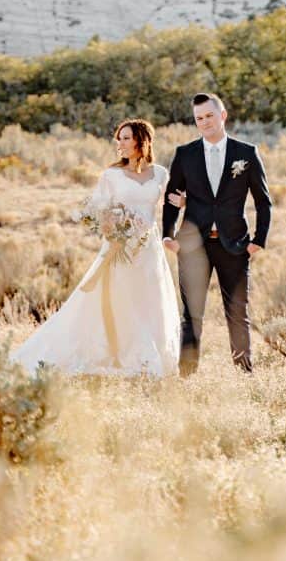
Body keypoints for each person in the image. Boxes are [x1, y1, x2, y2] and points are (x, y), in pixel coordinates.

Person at [10, 119, 180, 377]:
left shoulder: (160, 174)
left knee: (147, 300)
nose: (120, 143)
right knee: (114, 300)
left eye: (126, 138)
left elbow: (172, 203)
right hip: (117, 249)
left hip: (148, 249)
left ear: (141, 141)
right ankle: (113, 354)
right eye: (119, 138)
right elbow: (97, 211)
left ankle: (147, 358)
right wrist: (112, 228)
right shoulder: (110, 175)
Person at [162, 93, 272, 375]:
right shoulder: (185, 154)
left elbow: (263, 201)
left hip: (235, 245)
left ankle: (244, 375)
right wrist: (168, 235)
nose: (205, 122)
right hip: (192, 246)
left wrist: (258, 241)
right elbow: (172, 198)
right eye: (199, 118)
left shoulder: (245, 153)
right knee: (192, 316)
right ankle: (186, 376)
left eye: (209, 116)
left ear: (222, 116)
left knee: (237, 314)